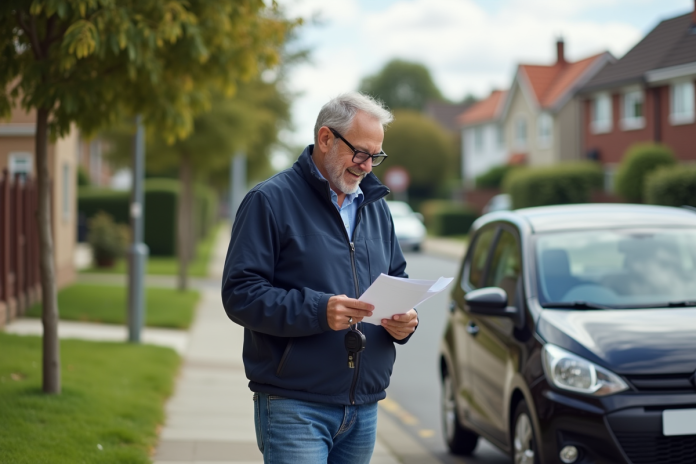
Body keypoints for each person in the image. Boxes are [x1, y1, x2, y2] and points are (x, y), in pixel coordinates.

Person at [221, 92, 419, 464]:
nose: (367, 167)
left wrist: (407, 321)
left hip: (364, 407)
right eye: (360, 153)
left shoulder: (378, 209)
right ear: (326, 139)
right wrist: (318, 310)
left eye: (376, 156)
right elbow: (240, 294)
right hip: (295, 404)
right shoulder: (269, 200)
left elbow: (398, 279)